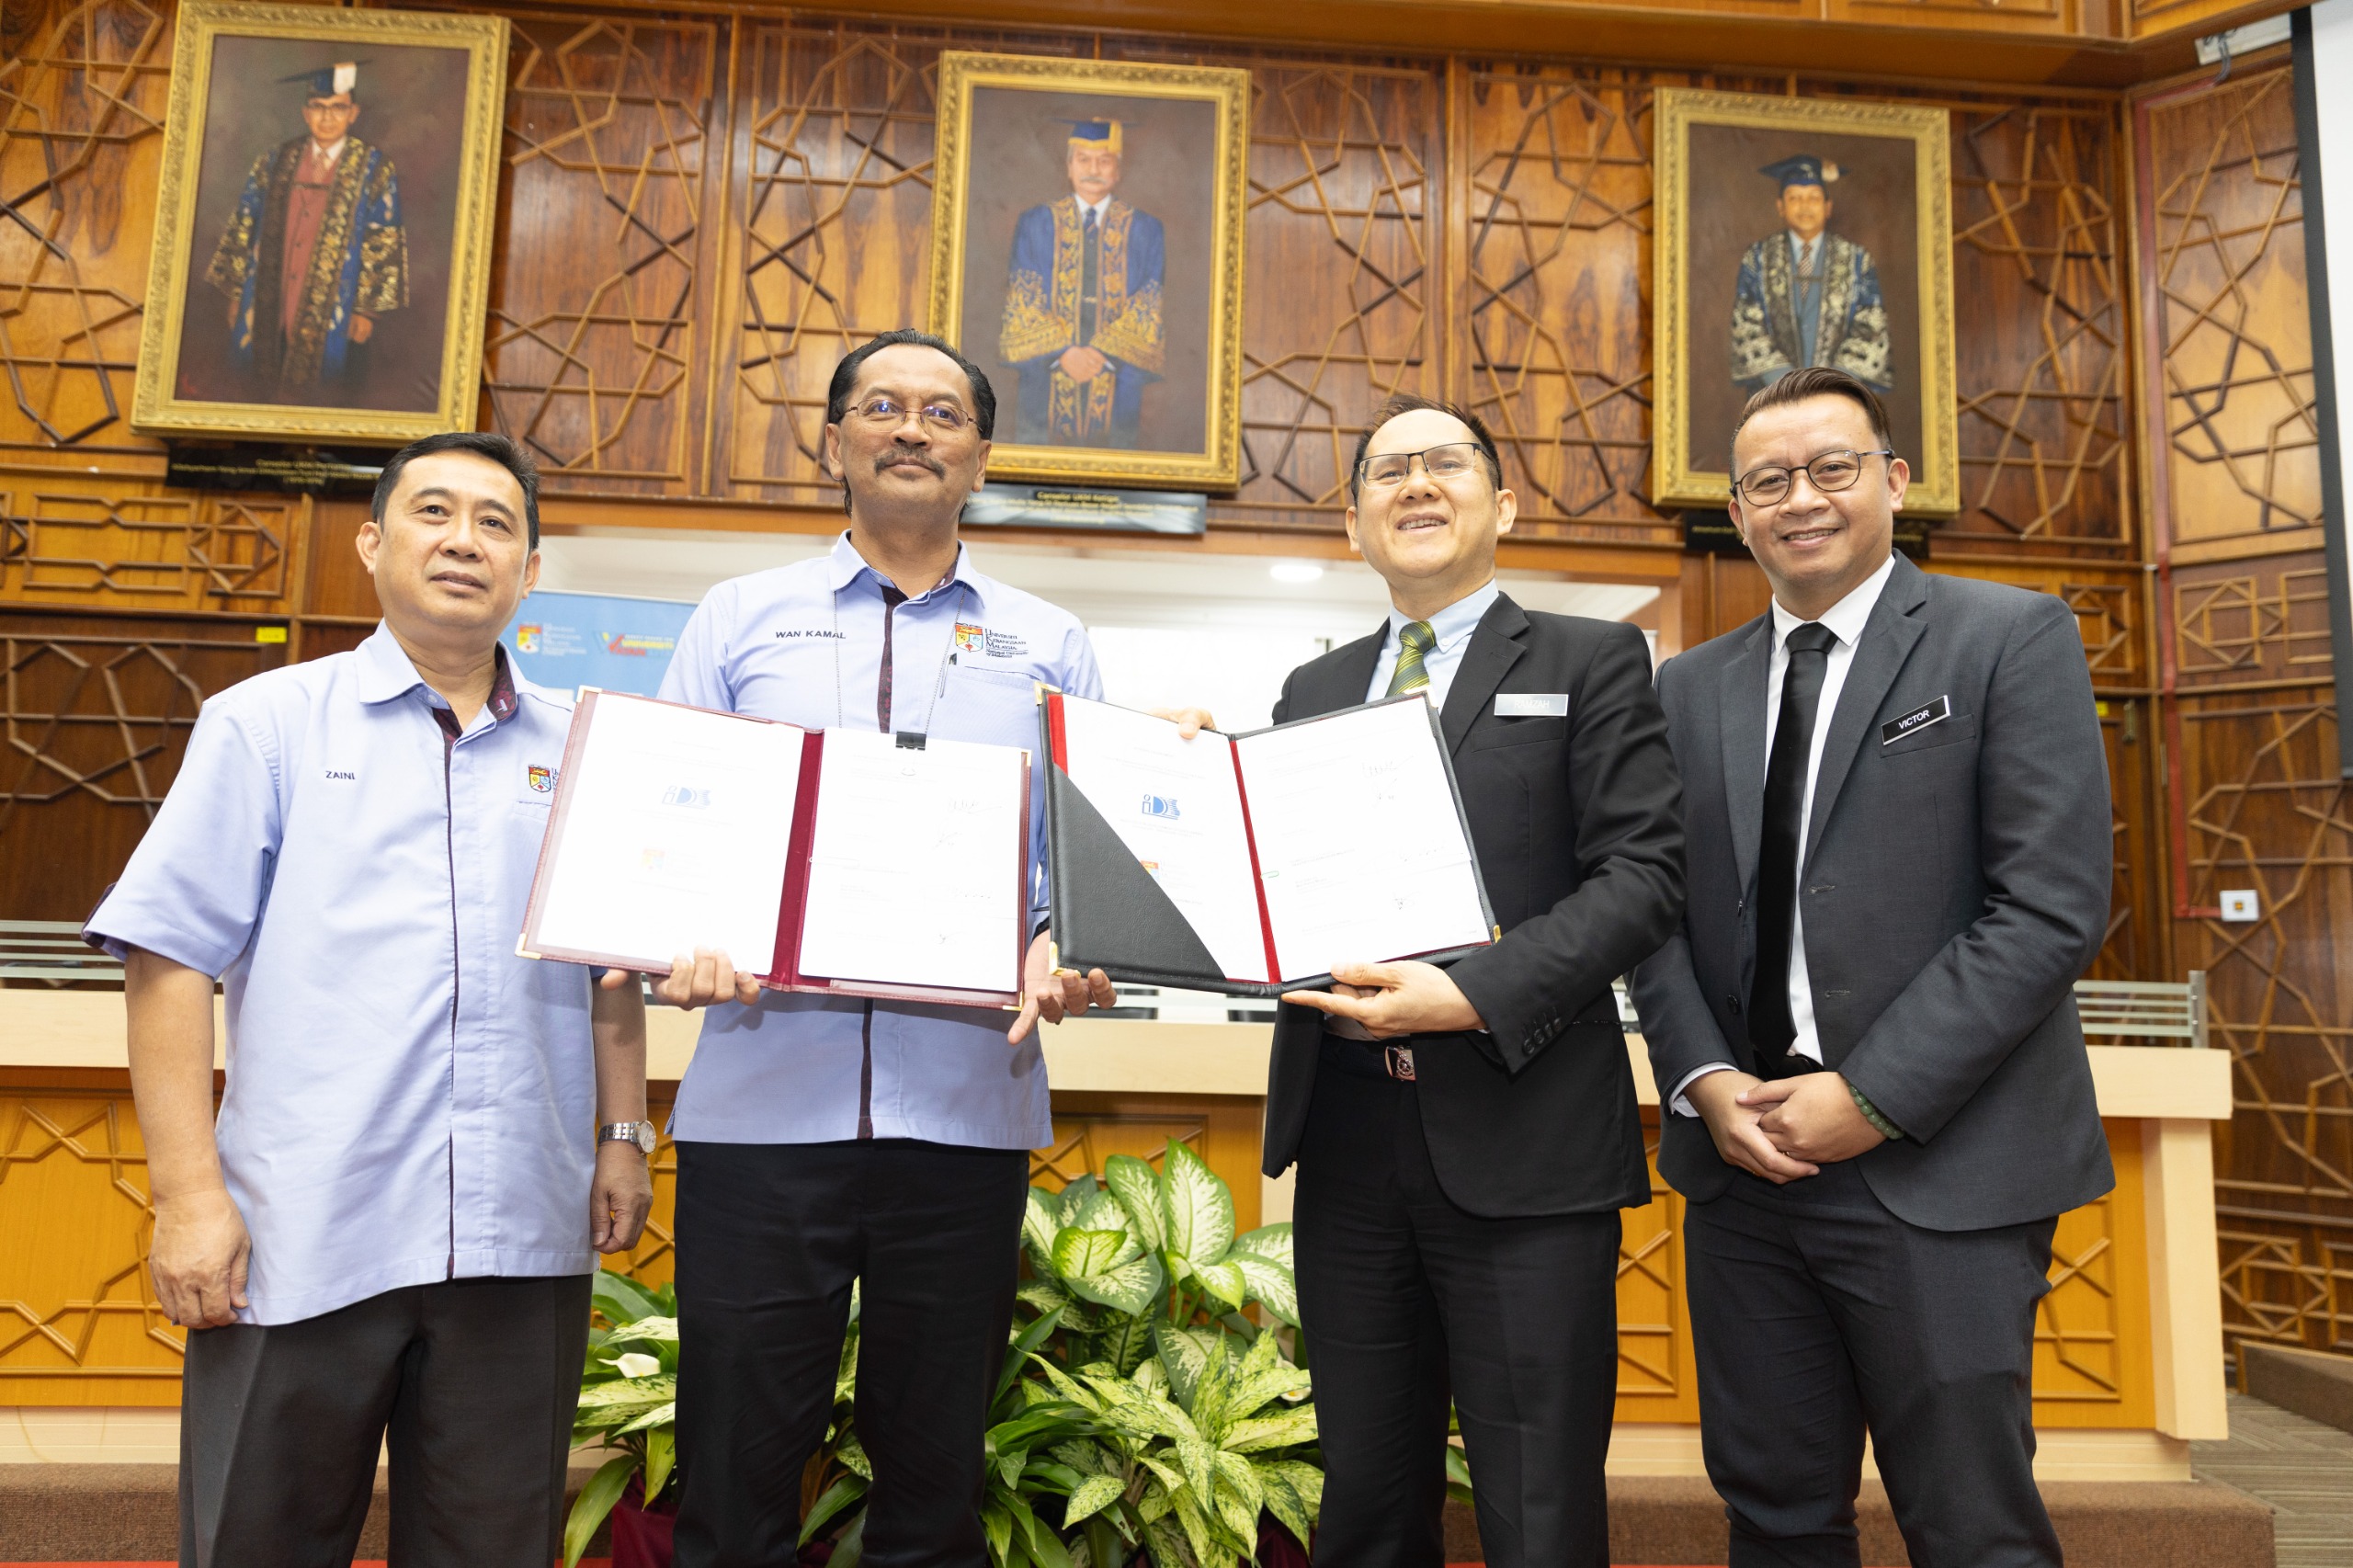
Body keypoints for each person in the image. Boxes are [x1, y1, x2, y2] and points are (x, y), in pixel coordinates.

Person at [649, 329, 1206, 1566]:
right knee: (733, 1466)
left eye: (942, 412)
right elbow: (671, 814)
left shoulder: (1050, 640)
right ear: (833, 440)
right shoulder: (738, 616)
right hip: (761, 1107)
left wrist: (1066, 939)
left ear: (981, 457)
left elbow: (1075, 863)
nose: (912, 427)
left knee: (935, 1470)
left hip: (963, 1111)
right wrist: (674, 933)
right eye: (883, 405)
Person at [83, 431, 655, 1568]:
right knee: (258, 1541)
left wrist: (624, 1132)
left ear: (531, 569)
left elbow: (610, 965)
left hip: (517, 1232)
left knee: (492, 1548)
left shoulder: (588, 745)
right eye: (433, 511)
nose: (463, 540)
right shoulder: (267, 722)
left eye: (495, 522)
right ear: (371, 542)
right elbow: (167, 959)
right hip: (305, 1228)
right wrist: (188, 1198)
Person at [1628, 366, 2114, 1568]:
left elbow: (2047, 908)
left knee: (1971, 1526)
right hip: (1745, 1169)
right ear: (1736, 513)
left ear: (1894, 481)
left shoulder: (2008, 636)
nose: (1800, 497)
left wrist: (1871, 1095)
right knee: (1774, 1515)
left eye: (1831, 468)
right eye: (1767, 480)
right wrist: (1702, 1079)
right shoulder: (1687, 685)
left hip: (1941, 1165)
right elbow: (1655, 913)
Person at [1265, 394, 1687, 1568]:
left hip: (1524, 1136)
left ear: (1500, 505)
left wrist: (1472, 993)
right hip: (1347, 1139)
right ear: (1353, 523)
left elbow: (1645, 877)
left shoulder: (1590, 657)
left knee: (1536, 1506)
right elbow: (1276, 886)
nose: (1415, 483)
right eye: (1386, 468)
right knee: (1362, 1498)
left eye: (1443, 462)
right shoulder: (1310, 689)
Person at [205, 61, 408, 396]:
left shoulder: (374, 168)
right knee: (258, 379)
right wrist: (238, 295)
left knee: (328, 386)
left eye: (338, 108)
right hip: (271, 293)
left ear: (353, 113)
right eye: (318, 107)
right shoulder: (274, 160)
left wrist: (366, 311)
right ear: (305, 113)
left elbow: (382, 240)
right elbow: (244, 224)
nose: (327, 118)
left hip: (336, 303)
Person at [998, 119, 1165, 447]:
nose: (1093, 170)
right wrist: (1063, 353)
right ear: (1069, 167)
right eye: (1084, 160)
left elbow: (1149, 303)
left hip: (1119, 379)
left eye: (1104, 161)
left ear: (1118, 170)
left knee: (1117, 460)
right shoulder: (1036, 223)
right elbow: (1022, 298)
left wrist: (1103, 355)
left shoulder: (1145, 229)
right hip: (1044, 379)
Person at [1731, 155, 1890, 395]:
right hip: (1774, 395)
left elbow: (1871, 325)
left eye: (1813, 198)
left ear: (1828, 207)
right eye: (1794, 198)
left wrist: (1833, 385)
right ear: (1780, 207)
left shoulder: (1856, 259)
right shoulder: (1759, 257)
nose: (1805, 206)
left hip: (1839, 396)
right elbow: (1746, 324)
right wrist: (1786, 384)